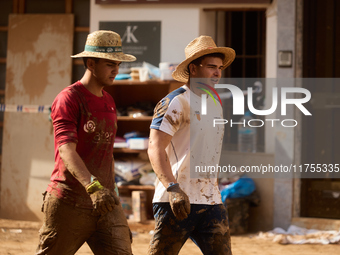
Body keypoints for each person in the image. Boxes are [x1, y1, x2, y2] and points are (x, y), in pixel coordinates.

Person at [36, 30, 136, 255]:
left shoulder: (109, 101)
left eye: (118, 64)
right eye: (110, 64)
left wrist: (113, 195)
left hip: (105, 202)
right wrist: (93, 186)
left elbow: (106, 153)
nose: (116, 70)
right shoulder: (69, 98)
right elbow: (66, 149)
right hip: (69, 202)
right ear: (91, 63)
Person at [147, 35, 236, 255]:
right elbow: (155, 148)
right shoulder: (176, 101)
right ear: (193, 69)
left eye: (220, 68)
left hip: (211, 200)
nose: (217, 73)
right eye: (211, 67)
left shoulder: (215, 102)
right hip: (176, 201)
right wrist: (173, 188)